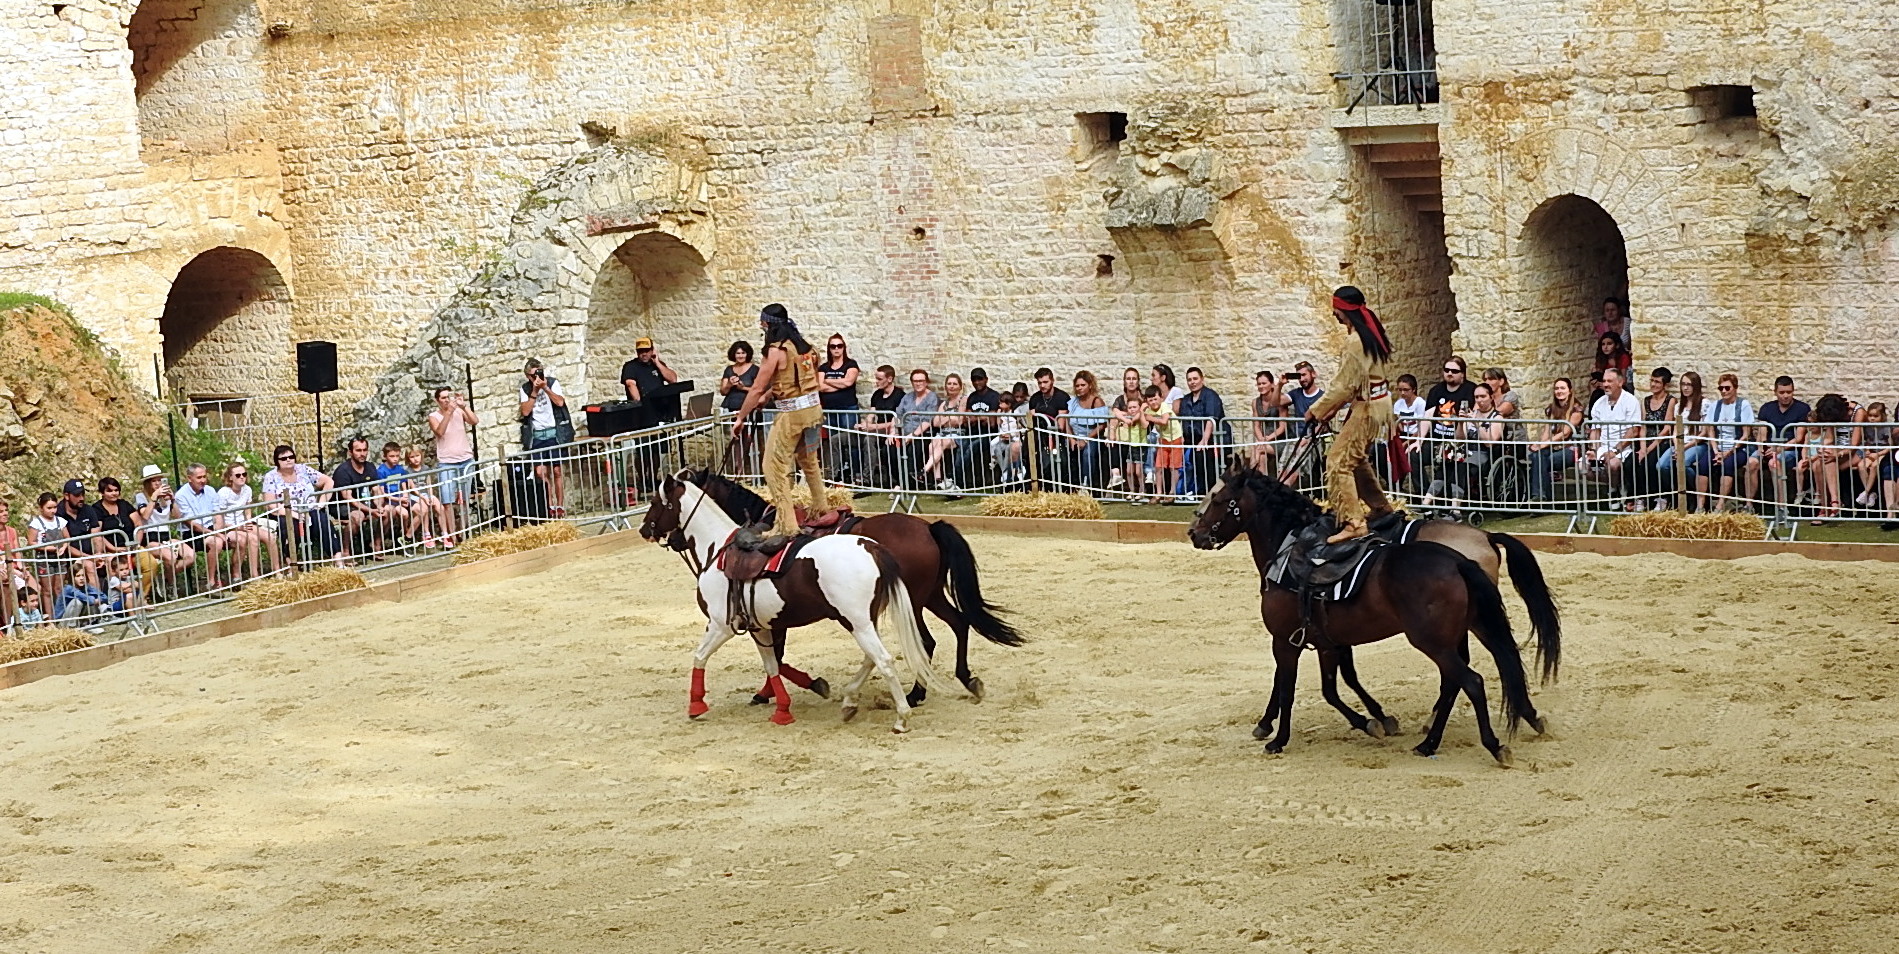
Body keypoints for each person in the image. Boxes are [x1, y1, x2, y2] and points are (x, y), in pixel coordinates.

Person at [1303, 287, 1397, 542]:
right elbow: (1351, 386)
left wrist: (1317, 410)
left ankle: (1353, 522)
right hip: (1374, 403)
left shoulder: (1356, 341)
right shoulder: (1370, 335)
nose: (1334, 315)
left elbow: (1344, 386)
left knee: (1337, 461)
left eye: (1336, 310)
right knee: (1355, 458)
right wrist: (1329, 410)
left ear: (1344, 310)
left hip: (1367, 407)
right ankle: (1380, 506)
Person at [732, 304, 833, 538]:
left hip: (792, 415)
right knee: (809, 461)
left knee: (773, 466)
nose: (761, 326)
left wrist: (741, 417)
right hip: (813, 410)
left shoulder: (775, 351)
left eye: (763, 323)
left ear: (768, 324)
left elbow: (757, 386)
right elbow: (793, 381)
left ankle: (786, 524)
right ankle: (820, 507)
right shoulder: (807, 348)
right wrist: (770, 395)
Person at [262, 444, 338, 565]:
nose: (288, 460)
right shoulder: (271, 477)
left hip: (310, 509)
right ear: (277, 461)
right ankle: (291, 565)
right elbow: (270, 504)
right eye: (283, 458)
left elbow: (329, 481)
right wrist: (294, 514)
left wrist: (321, 503)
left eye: (291, 457)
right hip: (286, 512)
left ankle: (338, 561)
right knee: (289, 527)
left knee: (323, 521)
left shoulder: (303, 469)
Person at [1744, 375, 1810, 511]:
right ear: (1775, 392)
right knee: (1751, 462)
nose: (1785, 396)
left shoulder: (1802, 409)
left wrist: (1779, 449)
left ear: (1793, 391)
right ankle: (1748, 504)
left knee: (1774, 463)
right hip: (1769, 447)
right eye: (1782, 392)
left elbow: (1799, 437)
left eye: (1789, 392)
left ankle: (1781, 506)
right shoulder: (1767, 408)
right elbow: (1762, 433)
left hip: (1790, 449)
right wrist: (1761, 446)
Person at [1694, 373, 1755, 512]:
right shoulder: (1715, 405)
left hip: (1738, 448)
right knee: (1703, 464)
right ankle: (1700, 505)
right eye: (1721, 388)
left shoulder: (1743, 405)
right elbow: (1710, 431)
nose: (1724, 391)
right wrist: (1716, 451)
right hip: (1718, 447)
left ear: (1735, 388)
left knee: (1728, 465)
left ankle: (1720, 504)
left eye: (1727, 388)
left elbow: (1746, 434)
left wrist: (1728, 453)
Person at [133, 466, 197, 592]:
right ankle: (171, 586)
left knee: (190, 555)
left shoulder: (166, 497)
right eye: (153, 481)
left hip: (165, 536)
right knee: (171, 557)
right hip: (150, 537)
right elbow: (145, 515)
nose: (157, 483)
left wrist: (172, 500)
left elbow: (178, 516)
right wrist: (154, 498)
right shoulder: (141, 497)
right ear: (147, 483)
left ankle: (166, 577)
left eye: (159, 480)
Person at [519, 358, 570, 516]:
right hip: (537, 436)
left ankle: (560, 506)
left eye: (539, 373)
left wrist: (545, 388)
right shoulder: (526, 389)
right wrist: (534, 391)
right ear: (528, 376)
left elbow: (560, 403)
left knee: (556, 471)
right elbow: (525, 412)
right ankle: (549, 505)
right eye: (534, 375)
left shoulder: (552, 383)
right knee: (540, 472)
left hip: (554, 433)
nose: (538, 377)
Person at [428, 386, 478, 544]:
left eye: (447, 397)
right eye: (442, 398)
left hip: (465, 460)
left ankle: (464, 532)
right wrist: (448, 412)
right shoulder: (434, 416)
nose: (446, 400)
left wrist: (464, 406)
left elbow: (474, 421)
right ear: (437, 401)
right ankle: (453, 535)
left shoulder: (459, 411)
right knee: (447, 500)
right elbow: (439, 432)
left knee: (463, 499)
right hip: (447, 462)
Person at [1586, 367, 1642, 508]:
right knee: (1582, 467)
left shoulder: (1630, 401)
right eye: (1604, 381)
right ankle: (1615, 485)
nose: (1605, 384)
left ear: (1620, 382)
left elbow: (1633, 431)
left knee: (1612, 464)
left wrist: (1615, 451)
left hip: (1624, 447)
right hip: (1603, 445)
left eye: (1609, 381)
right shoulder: (1599, 403)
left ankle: (1613, 491)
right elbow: (1595, 430)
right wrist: (1593, 449)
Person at [1659, 372, 1714, 512]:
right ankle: (1677, 494)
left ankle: (1697, 494)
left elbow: (1704, 432)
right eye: (1683, 384)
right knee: (1662, 465)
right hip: (1680, 443)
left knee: (1683, 463)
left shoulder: (1704, 404)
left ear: (1696, 386)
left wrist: (1685, 448)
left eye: (1689, 384)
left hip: (1697, 444)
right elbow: (1676, 431)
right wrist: (1678, 447)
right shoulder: (1679, 406)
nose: (1685, 388)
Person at [1527, 377, 1585, 505]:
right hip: (1554, 447)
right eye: (1557, 388)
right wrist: (1540, 445)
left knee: (1542, 461)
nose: (1559, 391)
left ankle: (1541, 497)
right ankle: (1541, 497)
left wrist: (1543, 444)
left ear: (1569, 391)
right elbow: (1547, 431)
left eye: (1562, 388)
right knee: (1537, 456)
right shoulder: (1551, 409)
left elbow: (1565, 433)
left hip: (1571, 449)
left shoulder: (1577, 409)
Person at [216, 459, 276, 582]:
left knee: (269, 536)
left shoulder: (247, 489)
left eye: (244, 474)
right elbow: (219, 520)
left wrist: (248, 521)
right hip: (228, 527)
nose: (242, 477)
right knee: (252, 539)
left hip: (243, 523)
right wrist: (238, 527)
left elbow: (247, 511)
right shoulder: (223, 493)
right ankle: (254, 575)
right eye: (238, 475)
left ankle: (277, 570)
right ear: (230, 477)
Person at [173, 462, 229, 589]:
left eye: (204, 477)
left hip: (211, 528)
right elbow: (191, 523)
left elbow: (217, 513)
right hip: (191, 532)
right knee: (216, 542)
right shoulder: (181, 495)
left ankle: (238, 577)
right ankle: (211, 582)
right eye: (199, 478)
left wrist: (219, 529)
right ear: (189, 478)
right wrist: (217, 534)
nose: (203, 480)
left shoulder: (210, 490)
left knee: (240, 539)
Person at [331, 437, 388, 560]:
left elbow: (376, 489)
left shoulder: (370, 467)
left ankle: (376, 545)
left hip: (363, 503)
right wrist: (370, 510)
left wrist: (378, 506)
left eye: (364, 450)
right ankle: (345, 551)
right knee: (358, 516)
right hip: (342, 505)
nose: (362, 454)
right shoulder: (343, 471)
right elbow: (347, 497)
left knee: (388, 511)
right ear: (350, 452)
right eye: (358, 450)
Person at [1801, 393, 1853, 524]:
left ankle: (1834, 502)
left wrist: (1837, 454)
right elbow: (1829, 438)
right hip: (1836, 450)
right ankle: (1825, 507)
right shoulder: (1831, 416)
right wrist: (1821, 448)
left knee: (1827, 455)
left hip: (1853, 452)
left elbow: (1856, 444)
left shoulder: (1858, 412)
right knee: (1820, 461)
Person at [1178, 367, 1228, 499]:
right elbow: (1183, 421)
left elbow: (1211, 420)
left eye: (1195, 379)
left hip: (1214, 439)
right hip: (1192, 439)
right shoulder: (1186, 400)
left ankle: (1207, 491)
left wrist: (1204, 440)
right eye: (1189, 380)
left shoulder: (1210, 396)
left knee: (1202, 454)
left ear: (1202, 379)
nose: (1192, 382)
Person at [816, 335, 861, 481]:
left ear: (844, 347)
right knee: (834, 443)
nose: (836, 349)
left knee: (850, 441)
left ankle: (855, 475)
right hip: (830, 411)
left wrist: (828, 380)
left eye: (839, 346)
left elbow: (848, 382)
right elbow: (819, 387)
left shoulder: (851, 364)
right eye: (833, 346)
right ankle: (837, 474)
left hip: (847, 409)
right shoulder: (824, 367)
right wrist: (839, 384)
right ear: (829, 349)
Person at [1632, 368, 1676, 509]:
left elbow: (1667, 427)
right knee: (1632, 462)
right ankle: (1641, 497)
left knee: (1651, 462)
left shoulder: (1670, 400)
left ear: (1665, 385)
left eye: (1657, 382)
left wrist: (1650, 448)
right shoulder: (1645, 401)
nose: (1653, 384)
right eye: (1652, 380)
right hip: (1647, 441)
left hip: (1663, 441)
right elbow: (1643, 427)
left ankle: (1661, 497)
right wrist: (1643, 447)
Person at [1059, 370, 1111, 490]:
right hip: (1075, 437)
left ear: (1090, 385)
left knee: (1088, 452)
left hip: (1092, 437)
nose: (1080, 388)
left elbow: (1102, 425)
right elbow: (1066, 421)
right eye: (1077, 386)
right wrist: (1071, 439)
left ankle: (1086, 484)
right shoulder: (1073, 403)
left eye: (1083, 385)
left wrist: (1085, 440)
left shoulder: (1097, 402)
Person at [891, 369, 941, 489]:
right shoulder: (907, 397)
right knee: (889, 449)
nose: (918, 384)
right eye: (915, 381)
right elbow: (897, 415)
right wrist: (892, 432)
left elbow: (927, 421)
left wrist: (912, 435)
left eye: (921, 381)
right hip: (903, 434)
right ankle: (898, 481)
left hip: (922, 435)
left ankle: (907, 484)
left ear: (926, 382)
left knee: (912, 449)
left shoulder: (932, 397)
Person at [856, 364, 905, 488]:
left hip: (892, 432)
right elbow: (871, 415)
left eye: (879, 379)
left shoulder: (899, 396)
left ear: (889, 379)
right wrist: (864, 425)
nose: (876, 382)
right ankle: (832, 478)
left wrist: (873, 427)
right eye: (876, 378)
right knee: (838, 440)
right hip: (877, 431)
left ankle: (866, 479)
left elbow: (897, 419)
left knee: (869, 439)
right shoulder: (877, 395)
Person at [376, 442, 427, 548]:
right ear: (385, 456)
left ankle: (407, 537)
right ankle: (403, 536)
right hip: (391, 499)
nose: (395, 459)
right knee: (404, 514)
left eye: (397, 456)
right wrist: (399, 500)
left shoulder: (400, 469)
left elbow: (404, 485)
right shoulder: (381, 471)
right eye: (392, 456)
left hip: (401, 497)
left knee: (423, 509)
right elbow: (383, 493)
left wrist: (405, 495)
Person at [923, 372, 968, 492]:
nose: (952, 386)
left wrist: (945, 418)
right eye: (949, 384)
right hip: (943, 433)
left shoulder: (963, 400)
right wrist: (949, 418)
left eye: (954, 384)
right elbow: (936, 423)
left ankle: (924, 471)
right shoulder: (944, 403)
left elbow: (959, 420)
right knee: (932, 445)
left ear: (960, 386)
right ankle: (938, 480)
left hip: (957, 434)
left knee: (942, 442)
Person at [1110, 372, 1148, 499]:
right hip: (1126, 438)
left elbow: (1142, 412)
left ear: (1138, 381)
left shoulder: (1144, 398)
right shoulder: (1119, 399)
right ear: (1124, 381)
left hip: (1142, 438)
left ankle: (1142, 490)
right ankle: (1118, 479)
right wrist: (1125, 418)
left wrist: (1126, 416)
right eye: (1128, 379)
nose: (1131, 381)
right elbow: (1114, 412)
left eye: (1134, 379)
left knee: (1138, 470)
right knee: (1128, 469)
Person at [1144, 385, 1183, 505]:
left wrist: (1150, 418)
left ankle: (1172, 493)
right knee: (1159, 467)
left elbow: (1164, 421)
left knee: (1173, 467)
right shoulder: (1149, 410)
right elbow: (1145, 424)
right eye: (1150, 400)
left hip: (1175, 438)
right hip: (1163, 439)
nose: (1153, 402)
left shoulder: (1165, 407)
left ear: (1161, 398)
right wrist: (1143, 412)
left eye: (1155, 399)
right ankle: (1159, 493)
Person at [404, 447, 451, 548]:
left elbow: (429, 484)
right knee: (424, 508)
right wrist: (423, 498)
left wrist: (430, 496)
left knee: (440, 508)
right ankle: (426, 534)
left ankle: (445, 534)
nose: (415, 459)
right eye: (412, 457)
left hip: (426, 493)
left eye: (417, 456)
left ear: (421, 455)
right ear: (408, 458)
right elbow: (413, 489)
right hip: (415, 495)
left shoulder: (426, 469)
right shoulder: (408, 471)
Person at [963, 368, 1002, 485]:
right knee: (962, 448)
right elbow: (967, 420)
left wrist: (976, 418)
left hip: (989, 435)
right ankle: (959, 480)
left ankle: (961, 482)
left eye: (980, 379)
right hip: (972, 433)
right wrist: (983, 417)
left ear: (986, 379)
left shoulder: (994, 396)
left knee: (970, 450)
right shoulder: (972, 397)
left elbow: (992, 422)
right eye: (974, 380)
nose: (977, 382)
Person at [1853, 402, 1893, 515]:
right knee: (1861, 466)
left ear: (1882, 416)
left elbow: (1890, 446)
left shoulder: (1886, 428)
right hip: (1871, 452)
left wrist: (1879, 454)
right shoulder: (1867, 427)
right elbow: (1865, 441)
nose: (1872, 419)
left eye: (1875, 416)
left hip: (1882, 453)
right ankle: (1870, 494)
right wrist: (1866, 450)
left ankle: (1866, 492)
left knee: (1875, 466)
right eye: (1870, 416)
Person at [1248, 371, 1288, 474]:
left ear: (1271, 384)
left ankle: (1251, 478)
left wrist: (1267, 438)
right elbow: (1256, 425)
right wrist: (1261, 438)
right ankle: (1261, 483)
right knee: (1260, 455)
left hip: (1279, 439)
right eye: (1259, 384)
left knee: (1257, 449)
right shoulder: (1255, 402)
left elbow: (1282, 427)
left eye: (1264, 383)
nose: (1261, 386)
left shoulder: (1280, 400)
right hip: (1264, 439)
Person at [1392, 374, 1427, 492]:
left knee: (1411, 457)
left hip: (1417, 435)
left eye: (1406, 390)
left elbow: (1421, 426)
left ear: (1414, 390)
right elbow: (1398, 422)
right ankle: (1395, 487)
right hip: (1403, 435)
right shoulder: (1398, 404)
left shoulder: (1420, 403)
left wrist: (1407, 442)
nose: (1402, 393)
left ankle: (1421, 490)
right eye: (1400, 390)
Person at [990, 392, 1025, 484]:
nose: (999, 405)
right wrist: (998, 415)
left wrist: (1012, 435)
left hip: (1014, 436)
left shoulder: (1015, 413)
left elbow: (1019, 426)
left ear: (1008, 404)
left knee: (1009, 449)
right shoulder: (1001, 413)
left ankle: (1012, 472)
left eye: (1001, 403)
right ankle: (994, 460)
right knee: (994, 444)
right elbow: (999, 423)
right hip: (1002, 435)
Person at [1285, 361, 1325, 437]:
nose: (1302, 379)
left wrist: (1308, 439)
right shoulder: (1296, 393)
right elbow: (1276, 402)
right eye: (1299, 376)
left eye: (1304, 375)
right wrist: (1280, 384)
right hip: (1297, 439)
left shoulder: (1323, 397)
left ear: (1313, 374)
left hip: (1315, 440)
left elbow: (1323, 424)